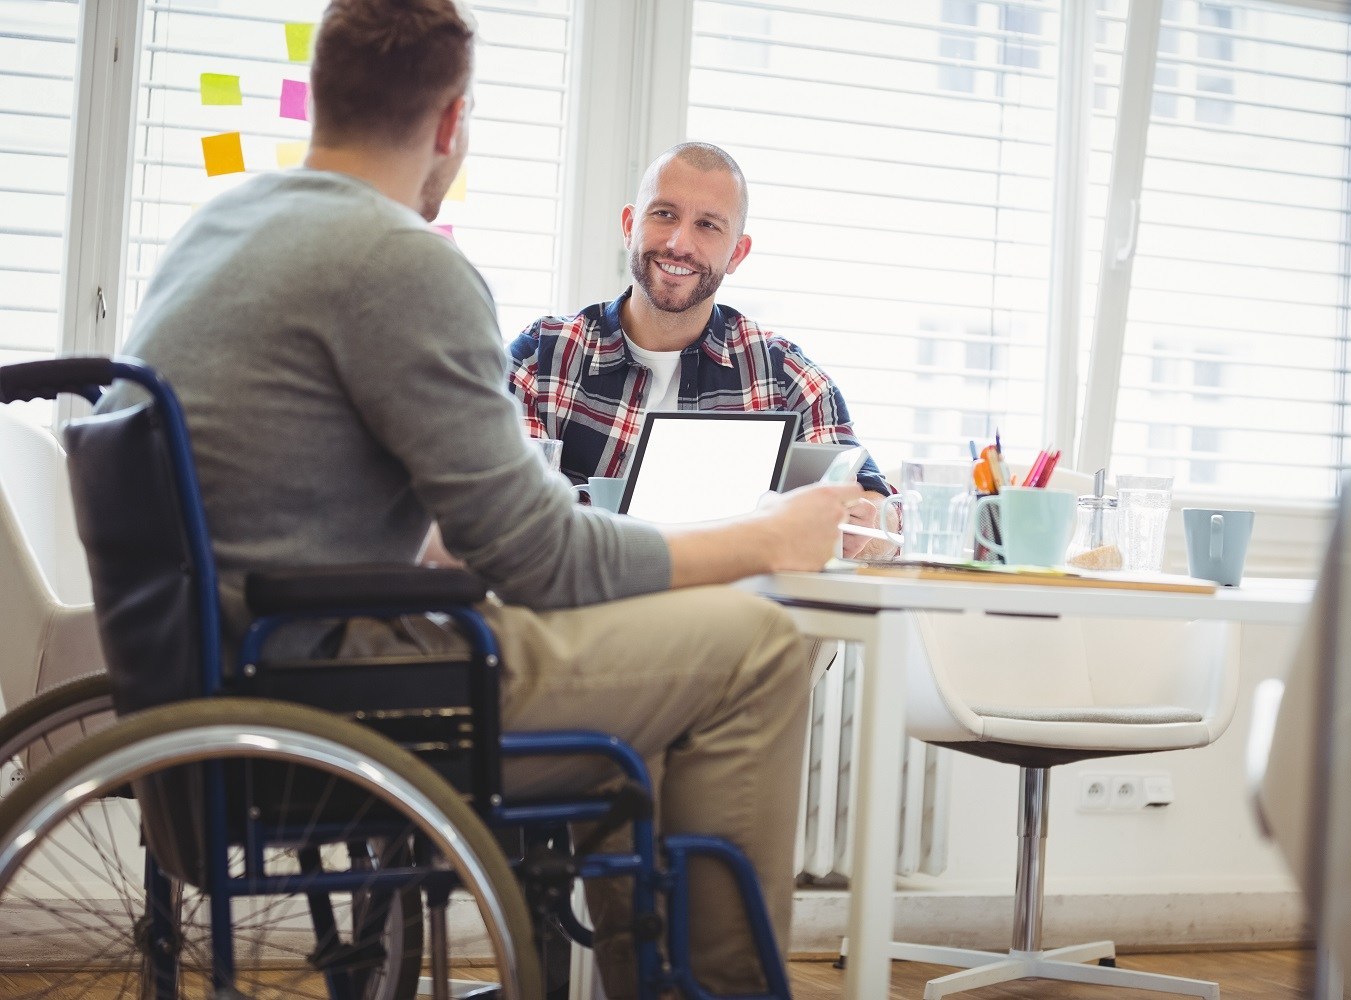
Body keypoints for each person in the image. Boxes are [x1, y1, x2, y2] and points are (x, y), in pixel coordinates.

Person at [98, 1, 860, 996]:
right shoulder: (402, 262)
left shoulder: (222, 227)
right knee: (754, 645)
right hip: (335, 691)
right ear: (451, 123)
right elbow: (541, 558)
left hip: (226, 677)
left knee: (665, 667)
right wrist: (770, 535)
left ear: (326, 92)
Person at [508, 142, 893, 557]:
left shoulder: (785, 375)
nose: (679, 243)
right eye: (664, 214)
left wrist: (868, 525)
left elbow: (877, 514)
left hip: (728, 610)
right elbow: (502, 516)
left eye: (708, 225)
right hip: (576, 606)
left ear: (737, 253)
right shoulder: (541, 357)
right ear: (629, 225)